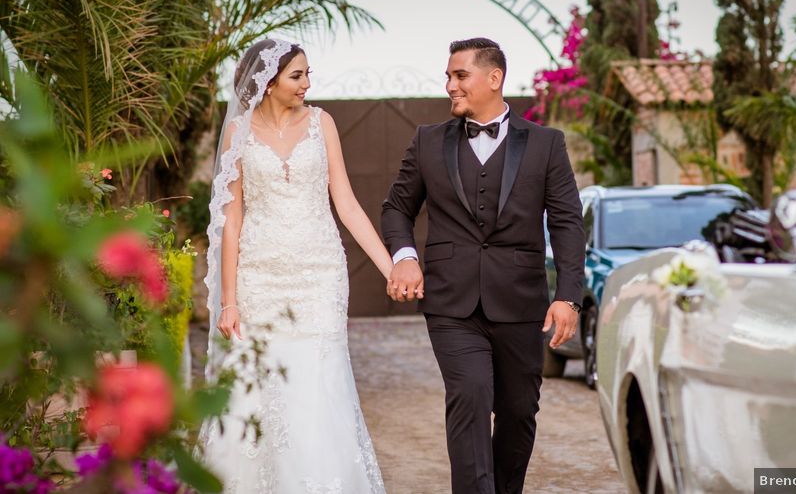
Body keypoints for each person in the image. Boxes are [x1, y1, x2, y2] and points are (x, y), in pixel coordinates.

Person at [381, 37, 585, 494]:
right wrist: (406, 257)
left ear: (494, 79)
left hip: (521, 303)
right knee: (470, 397)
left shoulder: (546, 144)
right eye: (448, 76)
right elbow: (396, 208)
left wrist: (569, 296)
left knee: (518, 411)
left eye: (460, 76)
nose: (450, 85)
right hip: (451, 303)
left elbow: (569, 223)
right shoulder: (427, 141)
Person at [200, 38, 390, 493]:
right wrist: (229, 301)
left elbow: (345, 202)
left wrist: (390, 267)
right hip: (258, 278)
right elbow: (231, 217)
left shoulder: (322, 123)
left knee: (320, 384)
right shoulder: (237, 133)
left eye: (307, 73)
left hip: (320, 275)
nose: (308, 83)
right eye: (298, 75)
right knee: (255, 387)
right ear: (268, 83)